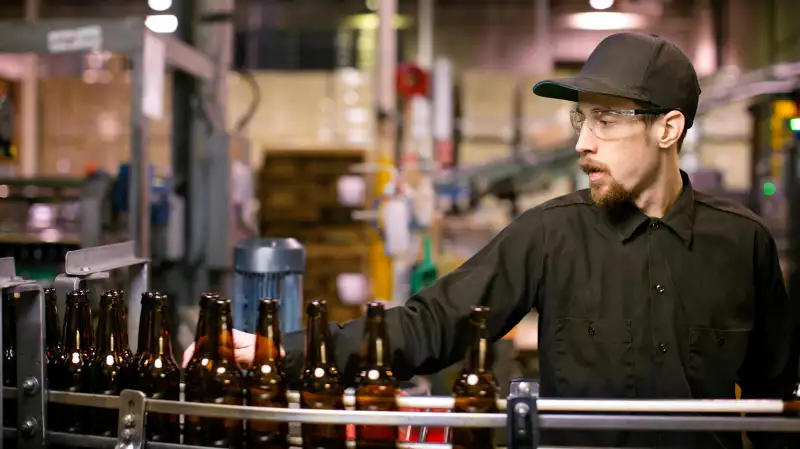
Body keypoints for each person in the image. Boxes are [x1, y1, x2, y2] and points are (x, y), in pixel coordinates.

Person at [184, 33, 800, 448]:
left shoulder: (740, 244)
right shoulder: (549, 234)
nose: (583, 143)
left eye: (605, 122)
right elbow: (430, 325)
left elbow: (778, 396)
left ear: (669, 129)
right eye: (580, 121)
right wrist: (272, 351)